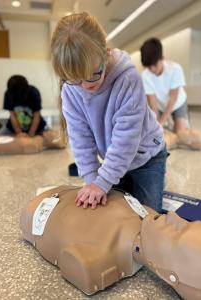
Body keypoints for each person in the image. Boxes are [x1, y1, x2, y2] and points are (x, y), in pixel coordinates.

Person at [50, 12, 167, 212]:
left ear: (107, 53)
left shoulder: (128, 79)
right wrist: (92, 180)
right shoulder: (70, 89)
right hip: (117, 160)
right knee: (111, 211)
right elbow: (80, 139)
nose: (86, 86)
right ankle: (123, 180)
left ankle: (155, 178)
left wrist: (103, 182)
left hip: (147, 157)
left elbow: (126, 139)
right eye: (76, 79)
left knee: (147, 215)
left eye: (93, 75)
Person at [140, 38, 189, 133]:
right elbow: (153, 104)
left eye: (155, 65)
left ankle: (182, 120)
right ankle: (170, 124)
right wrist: (156, 124)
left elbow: (173, 99)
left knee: (180, 133)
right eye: (149, 67)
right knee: (157, 131)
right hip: (161, 105)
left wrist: (161, 122)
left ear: (162, 58)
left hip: (178, 103)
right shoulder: (145, 76)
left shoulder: (175, 69)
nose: (153, 69)